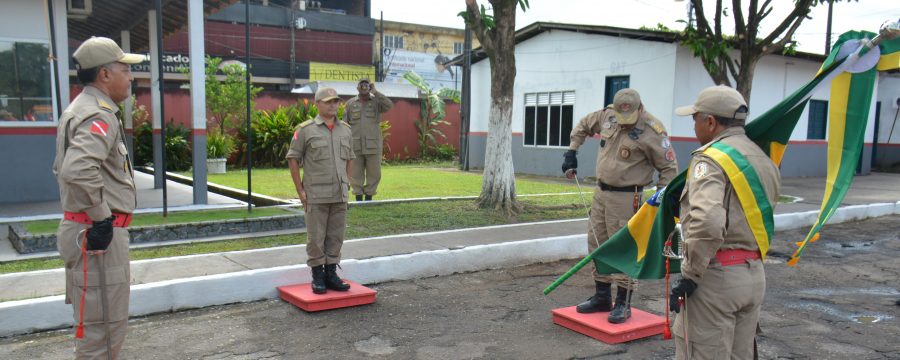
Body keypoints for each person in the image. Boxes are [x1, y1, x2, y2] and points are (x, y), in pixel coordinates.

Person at [669, 85, 781, 359]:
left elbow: (708, 221)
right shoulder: (762, 158)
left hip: (716, 278)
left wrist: (691, 274)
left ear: (710, 122)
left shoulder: (710, 159)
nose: (693, 126)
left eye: (695, 119)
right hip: (753, 273)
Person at [52, 36, 143, 359]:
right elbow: (76, 171)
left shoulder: (81, 108)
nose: (130, 77)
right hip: (97, 237)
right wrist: (102, 216)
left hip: (86, 232)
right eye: (124, 70)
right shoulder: (98, 114)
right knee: (102, 335)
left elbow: (65, 167)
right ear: (104, 74)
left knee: (98, 329)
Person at [562, 88, 678, 323]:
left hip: (628, 198)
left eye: (629, 117)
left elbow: (669, 169)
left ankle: (623, 303)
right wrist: (571, 152)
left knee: (625, 248)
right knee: (597, 243)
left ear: (639, 108)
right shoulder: (608, 116)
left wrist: (660, 202)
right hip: (601, 193)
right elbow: (584, 125)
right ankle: (602, 296)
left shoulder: (653, 130)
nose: (623, 122)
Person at [287, 87, 356, 294]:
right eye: (328, 102)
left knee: (336, 236)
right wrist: (300, 190)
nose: (333, 105)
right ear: (317, 104)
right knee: (316, 237)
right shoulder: (305, 130)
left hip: (339, 193)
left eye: (335, 101)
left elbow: (350, 158)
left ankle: (331, 274)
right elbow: (293, 158)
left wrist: (348, 182)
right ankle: (317, 275)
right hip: (316, 194)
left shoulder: (346, 129)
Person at [343, 78, 393, 201]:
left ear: (369, 87)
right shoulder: (350, 103)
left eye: (366, 85)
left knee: (374, 173)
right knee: (355, 173)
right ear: (357, 87)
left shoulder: (376, 102)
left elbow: (389, 105)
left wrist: (375, 92)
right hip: (355, 144)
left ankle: (369, 197)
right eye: (361, 85)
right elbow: (345, 123)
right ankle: (358, 197)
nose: (364, 87)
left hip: (373, 145)